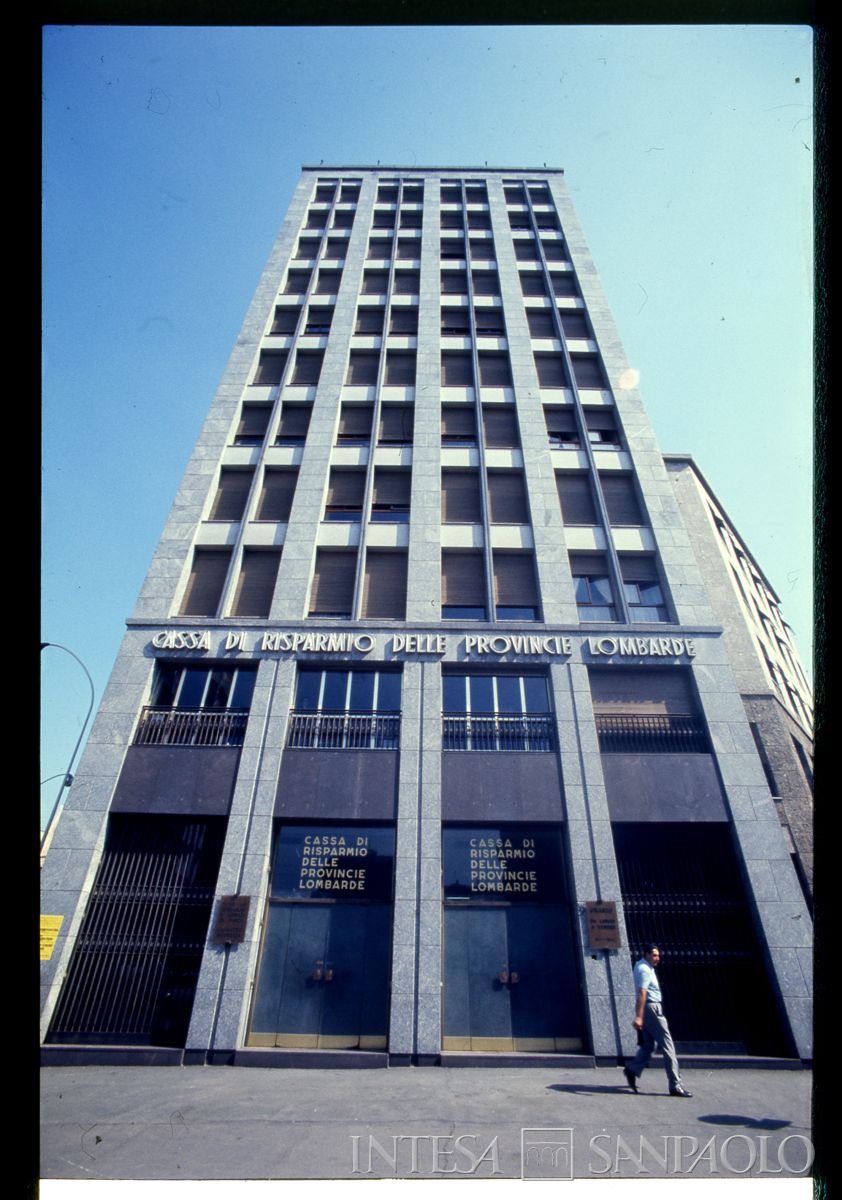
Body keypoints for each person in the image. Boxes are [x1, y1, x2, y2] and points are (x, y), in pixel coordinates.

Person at [623, 943, 693, 1097]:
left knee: (649, 1045)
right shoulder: (644, 970)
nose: (657, 958)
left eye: (658, 955)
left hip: (650, 1009)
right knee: (668, 1045)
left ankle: (633, 1070)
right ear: (647, 954)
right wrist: (639, 1016)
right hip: (652, 1009)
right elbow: (642, 993)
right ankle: (675, 1084)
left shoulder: (644, 967)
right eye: (654, 955)